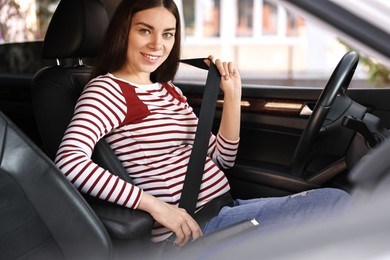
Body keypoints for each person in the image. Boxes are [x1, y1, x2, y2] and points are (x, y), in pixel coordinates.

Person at [55, 0, 350, 250]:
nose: (158, 45)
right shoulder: (108, 90)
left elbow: (223, 158)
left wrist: (232, 95)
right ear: (123, 32)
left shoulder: (168, 90)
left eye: (168, 34)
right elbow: (69, 162)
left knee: (338, 204)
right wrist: (156, 207)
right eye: (145, 30)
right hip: (193, 235)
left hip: (227, 210)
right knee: (339, 207)